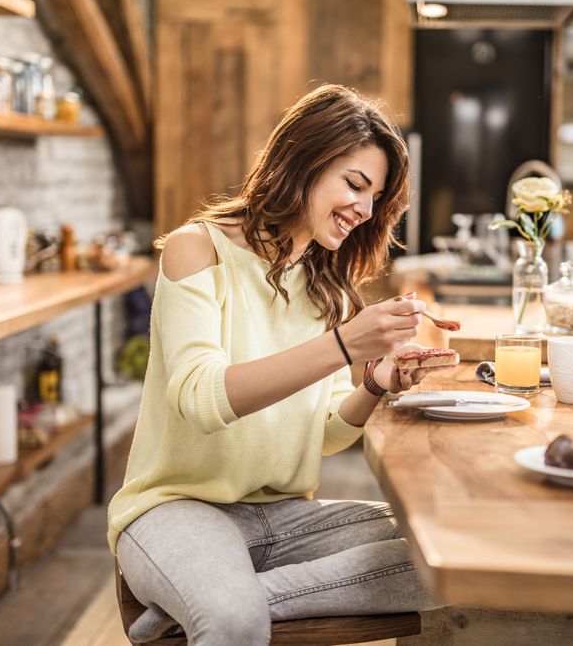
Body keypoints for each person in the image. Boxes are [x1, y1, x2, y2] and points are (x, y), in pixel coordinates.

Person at [108, 84, 451, 645]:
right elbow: (201, 399)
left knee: (446, 560)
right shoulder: (198, 251)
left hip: (284, 516)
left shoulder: (326, 287)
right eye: (354, 184)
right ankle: (223, 604)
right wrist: (345, 344)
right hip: (175, 507)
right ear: (303, 160)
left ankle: (196, 608)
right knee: (234, 622)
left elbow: (320, 435)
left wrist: (375, 381)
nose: (364, 210)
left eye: (374, 197)